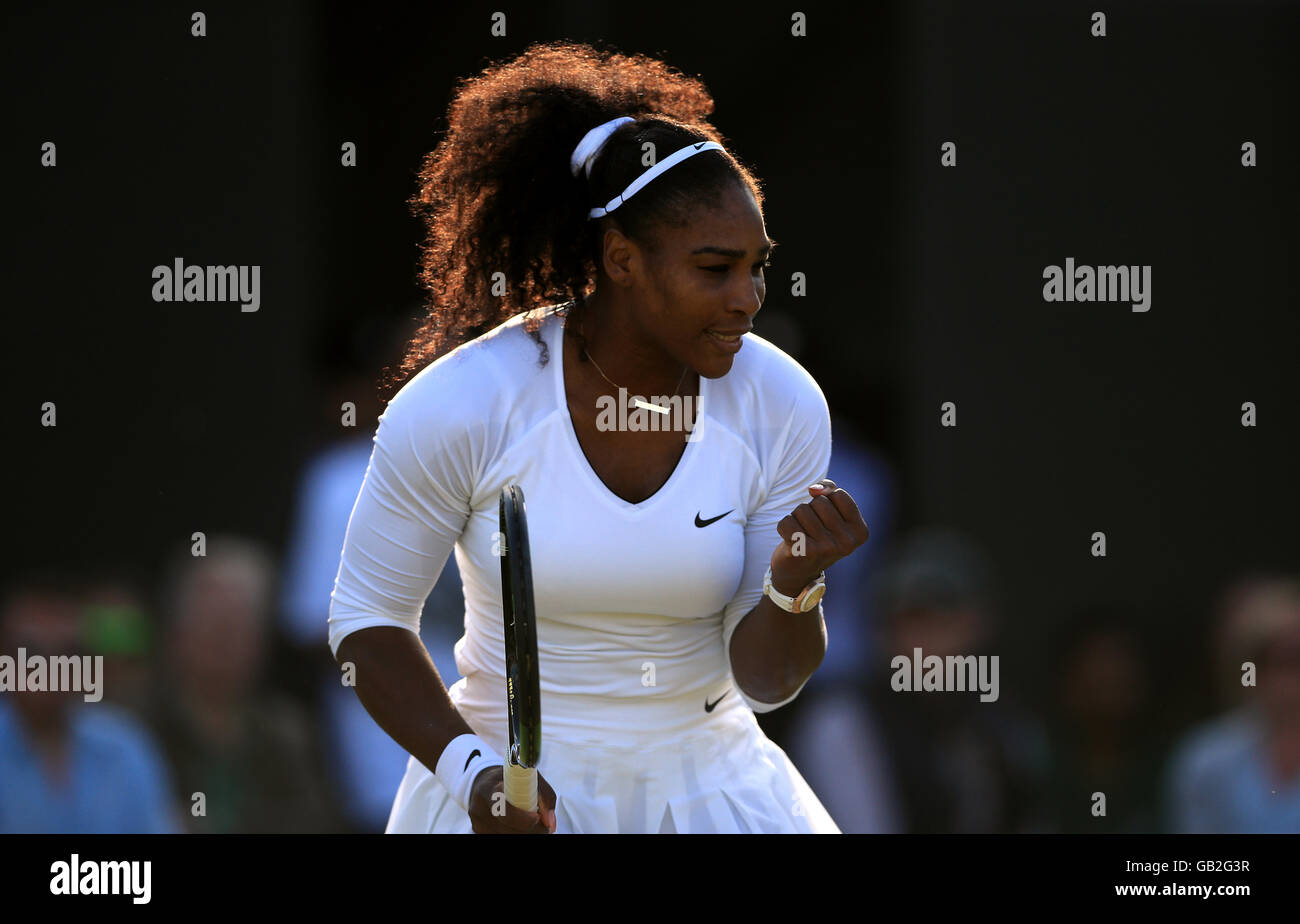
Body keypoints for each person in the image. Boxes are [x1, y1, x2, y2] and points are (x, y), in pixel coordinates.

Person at [329, 43, 869, 834]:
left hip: (714, 788)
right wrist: (475, 777)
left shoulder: (781, 401)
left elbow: (768, 681)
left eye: (758, 268)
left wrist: (796, 582)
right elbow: (365, 623)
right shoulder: (464, 404)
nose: (748, 299)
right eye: (715, 269)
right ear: (621, 259)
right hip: (506, 796)